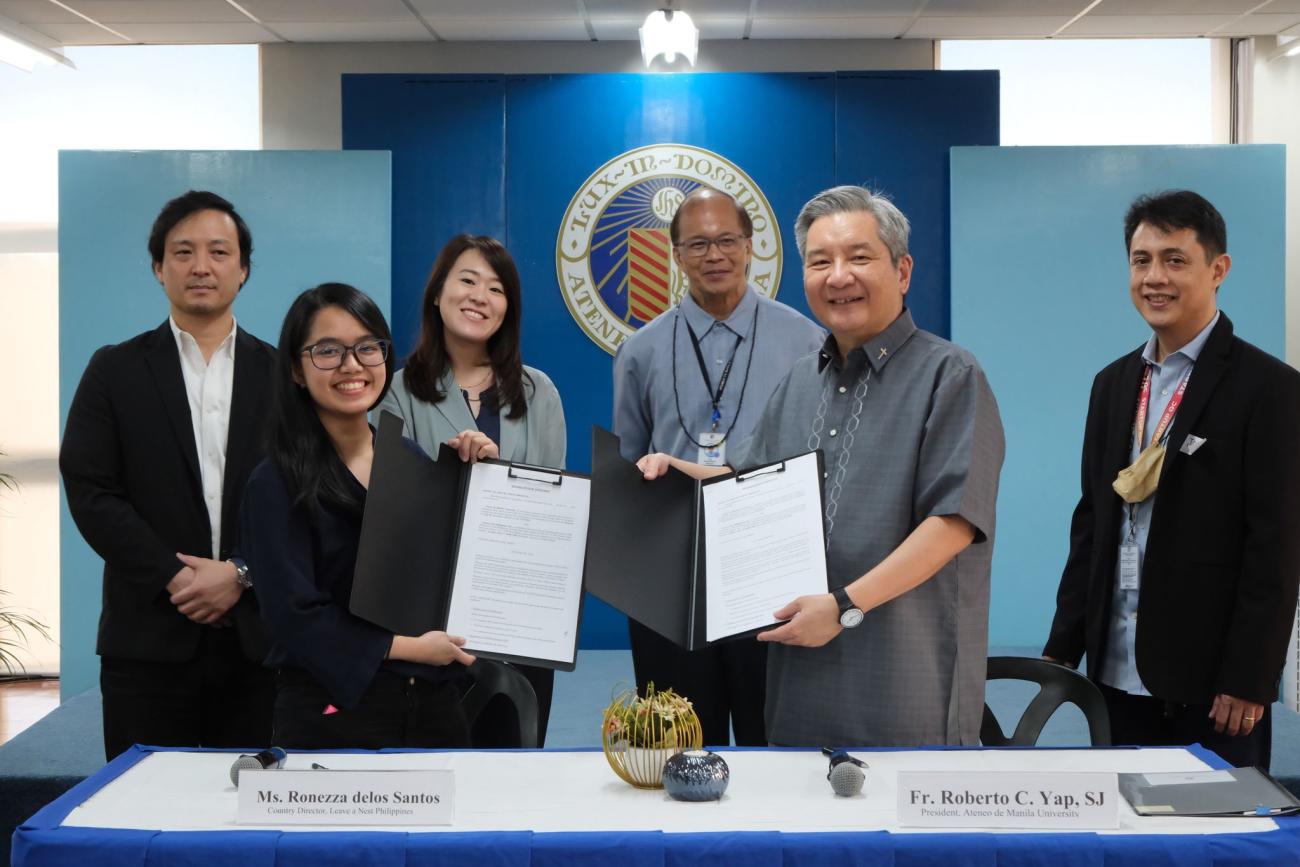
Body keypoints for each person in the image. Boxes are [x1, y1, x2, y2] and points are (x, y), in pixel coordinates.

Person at [637, 185, 1004, 747]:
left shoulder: (950, 375)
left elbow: (952, 523)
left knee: (902, 829)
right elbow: (750, 486)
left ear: (902, 271)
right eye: (819, 261)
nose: (838, 276)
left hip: (905, 677)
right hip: (800, 673)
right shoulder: (800, 381)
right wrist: (678, 470)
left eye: (859, 257)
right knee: (800, 824)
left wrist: (844, 606)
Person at [1044, 191, 1300, 769]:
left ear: (1218, 269)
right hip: (1113, 669)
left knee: (1213, 845)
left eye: (1175, 260)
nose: (1154, 277)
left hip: (1213, 685)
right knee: (1123, 841)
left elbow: (1276, 548)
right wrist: (1063, 647)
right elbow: (1092, 522)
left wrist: (1251, 675)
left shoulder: (1270, 388)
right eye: (1141, 260)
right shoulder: (1113, 384)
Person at [61, 190, 275, 760]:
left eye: (218, 251)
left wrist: (241, 572)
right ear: (159, 268)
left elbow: (307, 496)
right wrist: (173, 577)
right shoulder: (114, 369)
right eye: (183, 252)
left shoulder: (285, 375)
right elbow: (90, 489)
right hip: (147, 639)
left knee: (254, 821)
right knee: (142, 814)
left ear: (243, 268)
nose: (200, 266)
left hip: (260, 641)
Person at [612, 187, 824, 748]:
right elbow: (631, 460)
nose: (715, 255)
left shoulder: (807, 341)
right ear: (676, 255)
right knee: (677, 747)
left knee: (775, 742)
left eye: (727, 240)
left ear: (751, 247)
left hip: (771, 570)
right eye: (698, 243)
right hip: (671, 574)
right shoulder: (641, 350)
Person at [240, 283, 476, 749]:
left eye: (367, 348)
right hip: (331, 713)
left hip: (430, 705)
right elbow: (295, 617)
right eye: (328, 350)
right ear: (295, 368)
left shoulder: (408, 459)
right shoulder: (274, 482)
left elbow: (438, 575)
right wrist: (411, 648)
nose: (351, 365)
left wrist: (477, 482)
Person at [376, 234, 565, 745]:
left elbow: (553, 518)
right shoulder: (396, 390)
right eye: (467, 280)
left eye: (497, 287)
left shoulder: (538, 392)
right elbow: (381, 511)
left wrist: (498, 475)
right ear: (437, 294)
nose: (480, 295)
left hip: (519, 617)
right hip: (427, 622)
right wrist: (449, 470)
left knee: (514, 773)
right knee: (434, 775)